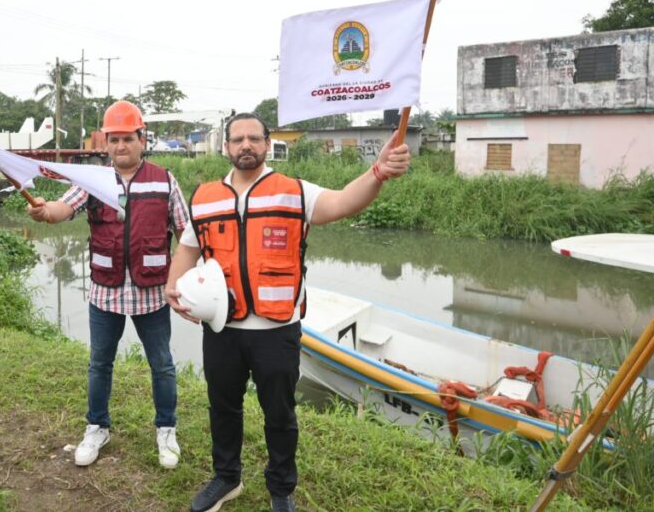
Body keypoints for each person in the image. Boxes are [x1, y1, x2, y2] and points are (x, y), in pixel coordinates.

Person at [165, 112, 411, 512]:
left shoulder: (294, 191)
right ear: (226, 147)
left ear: (266, 144)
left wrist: (378, 172)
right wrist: (173, 287)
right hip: (221, 328)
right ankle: (227, 478)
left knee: (279, 413)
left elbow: (344, 202)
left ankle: (281, 489)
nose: (246, 145)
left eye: (254, 138)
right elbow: (189, 248)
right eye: (238, 139)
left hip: (276, 331)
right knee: (223, 407)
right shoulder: (205, 197)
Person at [27, 100, 187, 469]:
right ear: (107, 143)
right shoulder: (94, 181)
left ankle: (166, 429)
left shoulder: (164, 180)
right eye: (114, 140)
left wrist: (184, 279)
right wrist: (43, 210)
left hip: (151, 294)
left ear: (141, 139)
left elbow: (186, 234)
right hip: (105, 292)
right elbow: (61, 208)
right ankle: (97, 426)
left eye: (127, 139)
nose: (120, 147)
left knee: (161, 364)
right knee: (100, 363)